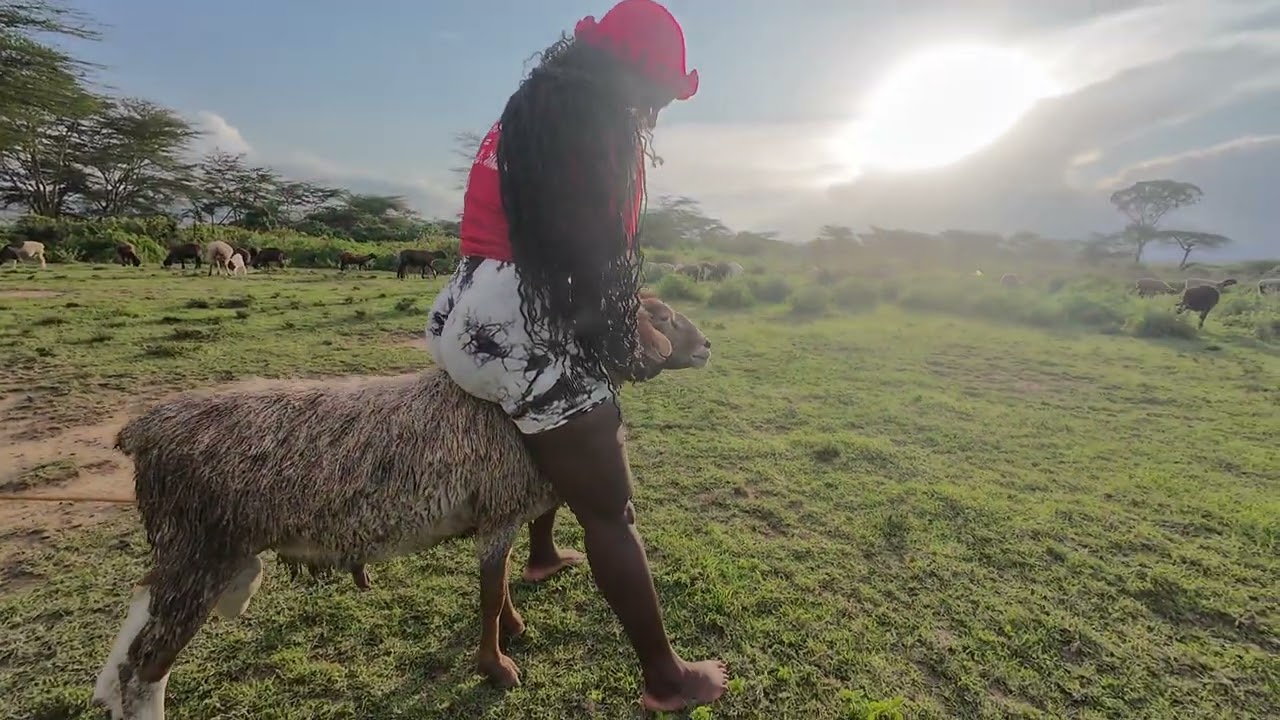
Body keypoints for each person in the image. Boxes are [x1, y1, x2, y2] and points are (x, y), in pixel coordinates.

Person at [424, 0, 728, 711]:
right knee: (610, 508)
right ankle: (666, 679)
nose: (657, 110)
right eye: (659, 94)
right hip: (516, 321)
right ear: (640, 80)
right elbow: (588, 264)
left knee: (567, 429)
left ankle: (535, 555)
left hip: (464, 308)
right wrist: (635, 344)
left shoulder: (534, 111)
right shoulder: (599, 130)